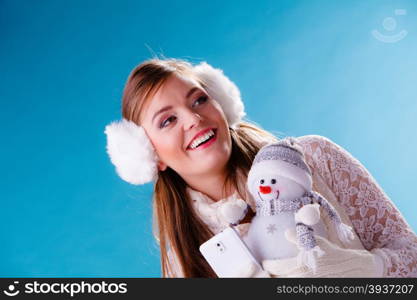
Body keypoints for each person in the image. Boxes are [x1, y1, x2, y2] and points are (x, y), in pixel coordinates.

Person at [104, 58, 417, 278]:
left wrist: (362, 270)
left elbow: (411, 257)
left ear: (222, 105)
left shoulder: (312, 157)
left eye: (199, 100)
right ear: (150, 155)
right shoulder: (183, 254)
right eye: (168, 120)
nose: (193, 119)